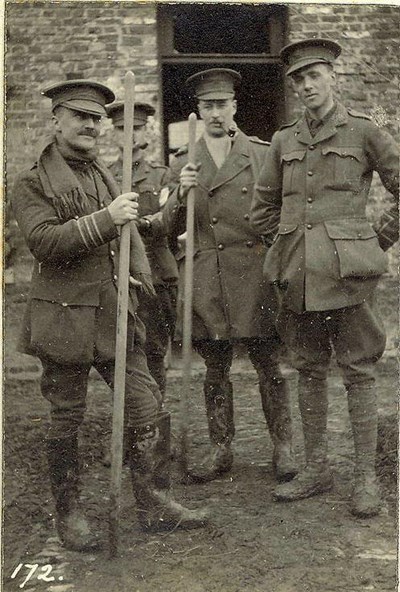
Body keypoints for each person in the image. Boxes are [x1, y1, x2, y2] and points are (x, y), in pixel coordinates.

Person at [10, 80, 208, 553]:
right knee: (67, 418)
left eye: (97, 118)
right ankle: (70, 512)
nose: (90, 125)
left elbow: (130, 238)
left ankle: (151, 501)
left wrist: (138, 280)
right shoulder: (33, 182)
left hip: (113, 315)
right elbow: (44, 242)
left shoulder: (103, 174)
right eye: (79, 116)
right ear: (55, 120)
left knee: (145, 406)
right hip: (62, 319)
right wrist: (106, 219)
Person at [250, 39, 399, 517]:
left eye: (315, 75)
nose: (307, 85)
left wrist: (377, 241)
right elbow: (262, 210)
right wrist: (290, 245)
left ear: (334, 76)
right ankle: (315, 468)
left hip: (351, 275)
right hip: (299, 278)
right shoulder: (283, 141)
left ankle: (365, 478)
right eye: (298, 79)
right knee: (308, 369)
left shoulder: (364, 132)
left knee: (359, 370)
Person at [163, 68, 297, 484]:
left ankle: (283, 446)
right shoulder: (182, 163)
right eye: (208, 106)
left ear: (235, 106)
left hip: (254, 272)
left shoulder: (260, 153)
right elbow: (165, 229)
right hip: (209, 275)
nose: (216, 113)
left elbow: (279, 213)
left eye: (222, 105)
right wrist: (180, 194)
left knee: (268, 363)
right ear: (198, 111)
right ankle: (221, 448)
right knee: (215, 367)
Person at [106, 101, 178, 402]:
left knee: (153, 352)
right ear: (113, 133)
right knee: (120, 354)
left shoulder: (161, 176)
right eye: (123, 129)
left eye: (136, 128)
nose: (130, 136)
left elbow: (168, 221)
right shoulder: (103, 176)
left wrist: (142, 222)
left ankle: (156, 431)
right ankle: (133, 426)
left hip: (155, 276)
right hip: (115, 276)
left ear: (145, 130)